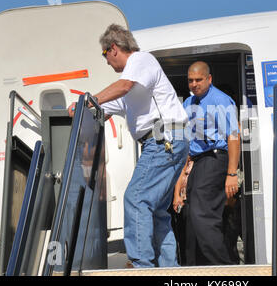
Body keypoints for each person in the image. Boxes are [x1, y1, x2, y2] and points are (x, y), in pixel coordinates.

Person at [68, 24, 189, 268]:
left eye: (104, 55)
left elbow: (121, 87)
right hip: (169, 140)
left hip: (163, 139)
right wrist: (81, 108)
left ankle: (141, 265)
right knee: (155, 210)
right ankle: (169, 268)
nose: (106, 62)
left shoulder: (141, 60)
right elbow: (108, 105)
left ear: (113, 48)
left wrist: (89, 99)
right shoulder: (132, 88)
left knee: (136, 199)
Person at [173, 61, 241, 266]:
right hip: (196, 162)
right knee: (190, 217)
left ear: (209, 79)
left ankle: (224, 268)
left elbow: (233, 136)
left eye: (198, 80)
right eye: (190, 80)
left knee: (202, 213)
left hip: (215, 158)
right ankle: (196, 268)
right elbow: (186, 143)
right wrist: (179, 184)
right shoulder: (188, 104)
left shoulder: (221, 100)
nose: (194, 84)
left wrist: (231, 174)